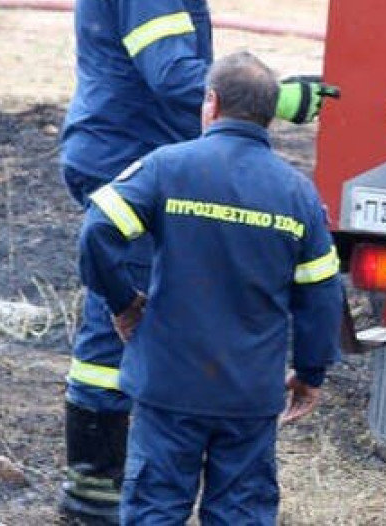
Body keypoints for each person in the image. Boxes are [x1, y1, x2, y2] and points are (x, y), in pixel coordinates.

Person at [57, 0, 332, 522]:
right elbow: (176, 78)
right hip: (128, 152)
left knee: (133, 309)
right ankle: (95, 489)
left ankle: (101, 482)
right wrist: (279, 99)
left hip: (123, 144)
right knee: (115, 321)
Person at [77, 51, 343, 525]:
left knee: (155, 510)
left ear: (212, 103)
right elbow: (321, 295)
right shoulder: (298, 194)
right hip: (249, 394)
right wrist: (310, 371)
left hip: (168, 385)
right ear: (270, 115)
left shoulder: (167, 168)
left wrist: (122, 303)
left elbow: (97, 232)